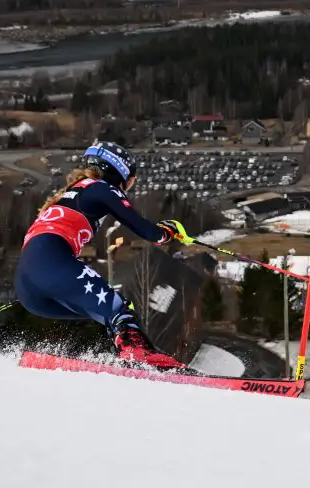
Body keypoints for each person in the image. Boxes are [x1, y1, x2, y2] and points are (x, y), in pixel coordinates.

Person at [15, 141, 189, 370]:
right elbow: (146, 230)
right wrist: (168, 232)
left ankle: (118, 351)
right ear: (118, 172)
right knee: (119, 309)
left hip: (28, 284)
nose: (128, 187)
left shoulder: (71, 192)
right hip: (50, 265)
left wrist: (45, 277)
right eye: (130, 181)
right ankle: (137, 355)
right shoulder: (101, 187)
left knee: (108, 313)